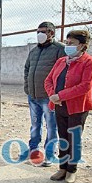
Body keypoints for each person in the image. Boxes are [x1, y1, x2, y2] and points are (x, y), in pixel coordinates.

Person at [44, 30, 92, 183]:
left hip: (77, 107)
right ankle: (62, 167)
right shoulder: (61, 61)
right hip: (59, 106)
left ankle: (71, 170)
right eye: (67, 43)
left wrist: (60, 96)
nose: (67, 46)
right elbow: (48, 80)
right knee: (62, 137)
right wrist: (53, 95)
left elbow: (85, 86)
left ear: (82, 45)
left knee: (73, 139)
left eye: (71, 43)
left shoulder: (90, 62)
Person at [23, 22, 67, 166]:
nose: (39, 34)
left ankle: (49, 154)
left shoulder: (60, 49)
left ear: (51, 33)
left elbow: (64, 73)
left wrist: (56, 93)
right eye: (38, 31)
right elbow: (27, 69)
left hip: (49, 97)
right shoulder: (34, 51)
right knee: (35, 125)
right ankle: (33, 151)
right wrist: (27, 87)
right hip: (33, 95)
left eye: (43, 31)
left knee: (51, 126)